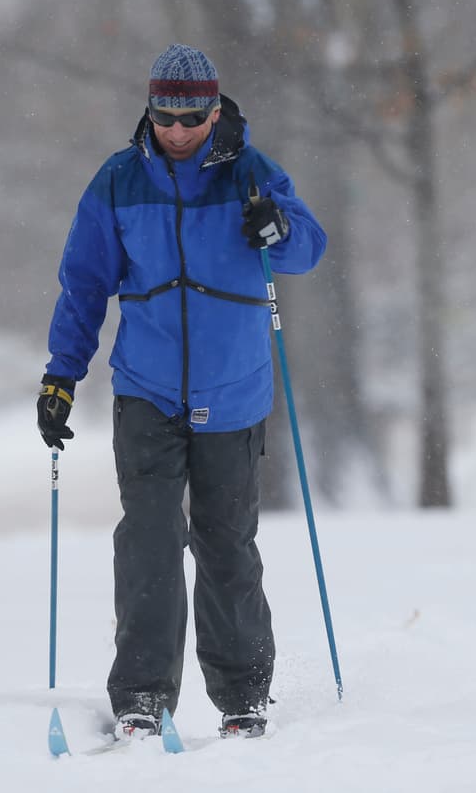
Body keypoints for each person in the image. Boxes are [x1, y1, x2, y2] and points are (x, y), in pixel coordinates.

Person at [36, 44, 327, 741]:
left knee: (227, 543)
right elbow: (83, 285)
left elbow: (308, 247)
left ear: (214, 108)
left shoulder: (252, 174)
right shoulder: (118, 181)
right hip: (147, 387)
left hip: (234, 391)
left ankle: (243, 698)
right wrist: (61, 375)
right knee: (150, 540)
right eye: (165, 116)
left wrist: (277, 228)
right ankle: (140, 694)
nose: (177, 130)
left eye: (192, 116)